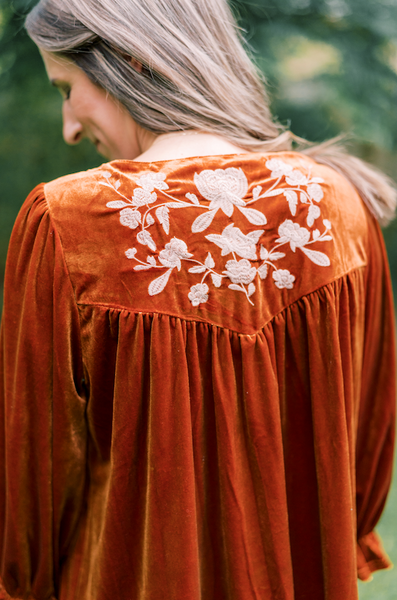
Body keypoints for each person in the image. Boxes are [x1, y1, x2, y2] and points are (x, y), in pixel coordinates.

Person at [0, 0, 395, 599]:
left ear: (129, 59)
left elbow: (38, 466)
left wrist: (22, 581)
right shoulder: (338, 205)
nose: (70, 129)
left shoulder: (69, 223)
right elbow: (362, 443)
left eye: (65, 89)